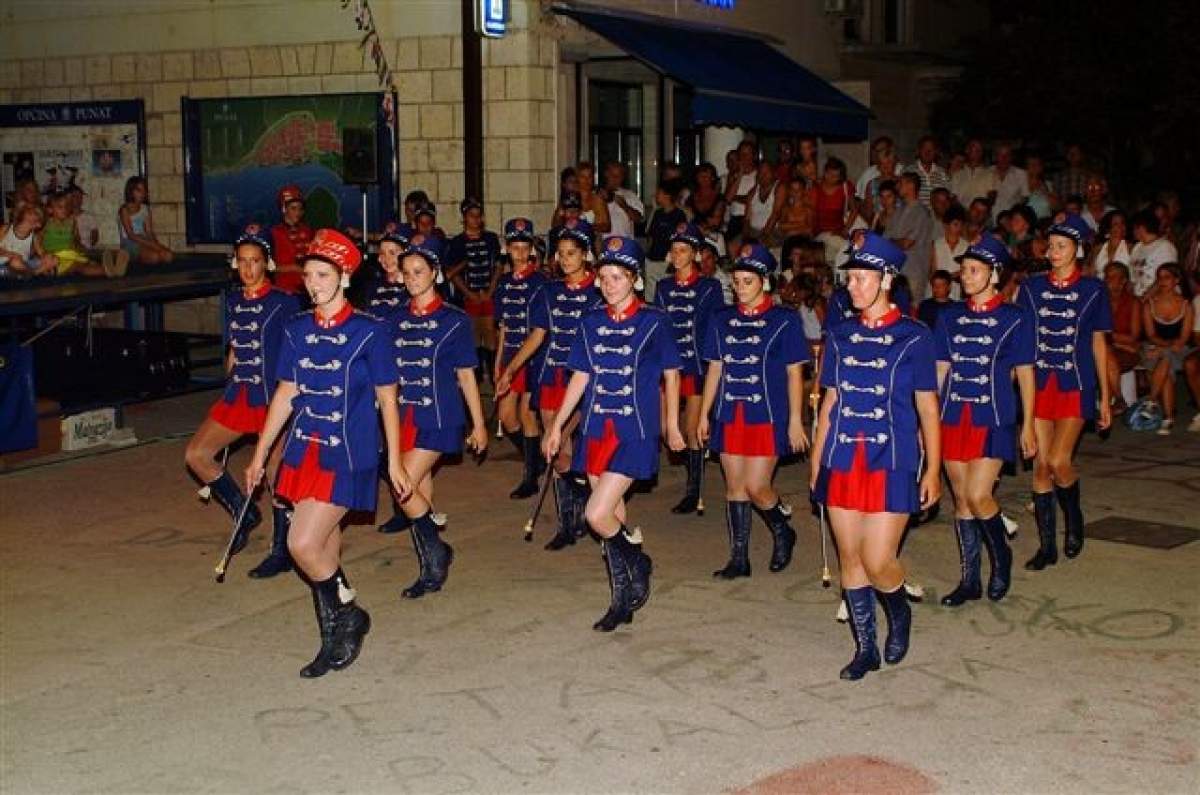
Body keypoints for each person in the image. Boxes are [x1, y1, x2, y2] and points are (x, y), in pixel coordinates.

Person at [245, 228, 409, 678]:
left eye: (323, 275)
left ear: (346, 277)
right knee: (321, 547)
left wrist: (394, 460)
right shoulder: (296, 329)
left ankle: (350, 613)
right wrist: (260, 454)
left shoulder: (369, 331)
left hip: (348, 453)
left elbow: (388, 398)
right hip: (303, 451)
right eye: (308, 275)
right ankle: (333, 637)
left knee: (301, 544)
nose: (313, 284)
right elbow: (285, 394)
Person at [810, 232, 941, 681]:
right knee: (850, 557)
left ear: (886, 280)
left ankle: (899, 610)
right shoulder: (840, 334)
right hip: (843, 455)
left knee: (879, 559)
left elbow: (927, 408)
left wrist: (934, 470)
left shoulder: (915, 336)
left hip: (894, 457)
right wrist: (816, 463)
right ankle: (865, 648)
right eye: (850, 278)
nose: (853, 286)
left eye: (862, 278)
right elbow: (829, 403)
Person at [544, 236, 685, 630]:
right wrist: (557, 426)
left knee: (596, 513)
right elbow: (580, 377)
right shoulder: (590, 322)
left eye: (618, 277)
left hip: (634, 429)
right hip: (594, 428)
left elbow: (672, 374)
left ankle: (636, 558)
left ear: (635, 281)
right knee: (614, 515)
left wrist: (671, 424)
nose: (609, 284)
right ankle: (622, 596)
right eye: (604, 277)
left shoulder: (655, 321)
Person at [184, 225, 300, 576]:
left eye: (256, 261)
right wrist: (231, 360)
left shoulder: (284, 302)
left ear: (268, 264)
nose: (249, 268)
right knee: (196, 455)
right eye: (243, 261)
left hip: (273, 396)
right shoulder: (233, 300)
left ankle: (281, 550)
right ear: (235, 264)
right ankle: (244, 511)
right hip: (241, 394)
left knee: (277, 472)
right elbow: (236, 343)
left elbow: (296, 346)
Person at [377, 233, 488, 597]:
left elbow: (466, 375)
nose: (412, 278)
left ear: (436, 274)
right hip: (405, 415)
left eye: (419, 271)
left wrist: (480, 424)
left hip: (441, 415)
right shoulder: (394, 318)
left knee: (403, 483)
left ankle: (437, 551)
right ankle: (431, 564)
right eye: (407, 272)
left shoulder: (454, 320)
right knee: (419, 488)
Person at [934, 236, 1036, 607]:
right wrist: (926, 419)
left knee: (979, 495)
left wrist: (1029, 424)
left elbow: (1025, 371)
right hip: (952, 415)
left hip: (994, 414)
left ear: (994, 275)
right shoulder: (948, 316)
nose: (966, 275)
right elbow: (940, 370)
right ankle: (969, 579)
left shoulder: (1015, 317)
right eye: (964, 269)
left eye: (974, 270)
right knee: (961, 500)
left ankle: (1001, 558)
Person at [698, 242, 809, 578]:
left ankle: (782, 529)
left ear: (765, 282)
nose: (740, 288)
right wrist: (704, 413)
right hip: (731, 412)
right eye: (737, 281)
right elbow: (715, 368)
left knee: (757, 487)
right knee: (734, 487)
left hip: (768, 414)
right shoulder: (721, 320)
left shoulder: (784, 320)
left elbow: (794, 373)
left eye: (748, 281)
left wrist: (794, 420)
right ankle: (739, 558)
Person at [497, 218, 602, 550]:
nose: (565, 259)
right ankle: (570, 519)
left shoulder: (600, 291)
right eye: (560, 253)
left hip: (583, 380)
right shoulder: (549, 290)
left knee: (561, 441)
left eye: (572, 253)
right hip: (550, 375)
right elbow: (538, 335)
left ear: (585, 254)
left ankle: (579, 513)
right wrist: (511, 369)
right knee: (558, 454)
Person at [1016, 213, 1112, 570]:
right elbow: (1022, 339)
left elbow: (1099, 344)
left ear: (1078, 250)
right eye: (1051, 246)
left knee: (1059, 461)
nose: (1053, 252)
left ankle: (1074, 519)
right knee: (1041, 466)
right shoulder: (1030, 288)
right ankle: (1046, 547)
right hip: (1040, 383)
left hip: (1075, 382)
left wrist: (1105, 395)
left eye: (1061, 246)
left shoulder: (1093, 290)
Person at [654, 222, 725, 515]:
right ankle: (696, 461)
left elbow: (715, 329)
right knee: (663, 429)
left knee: (691, 429)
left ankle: (693, 489)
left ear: (696, 254)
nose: (678, 254)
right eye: (674, 250)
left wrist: (713, 366)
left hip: (695, 365)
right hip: (667, 365)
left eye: (684, 250)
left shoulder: (710, 287)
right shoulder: (662, 286)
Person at [492, 218, 550, 499]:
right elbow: (502, 326)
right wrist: (498, 363)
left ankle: (530, 477)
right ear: (506, 248)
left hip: (533, 358)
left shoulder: (541, 283)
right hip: (509, 356)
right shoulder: (503, 283)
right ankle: (535, 458)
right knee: (505, 416)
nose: (519, 252)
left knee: (527, 415)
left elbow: (540, 331)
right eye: (513, 246)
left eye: (523, 246)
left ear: (531, 249)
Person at [445, 198, 503, 386]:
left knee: (491, 339)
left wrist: (490, 291)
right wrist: (469, 293)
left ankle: (494, 378)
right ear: (464, 217)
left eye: (479, 216)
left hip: (488, 296)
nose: (476, 220)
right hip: (469, 299)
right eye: (472, 216)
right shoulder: (457, 242)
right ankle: (476, 382)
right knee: (474, 340)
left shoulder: (491, 239)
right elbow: (452, 274)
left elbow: (498, 266)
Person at [1140, 264, 1193, 435]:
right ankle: (1168, 418)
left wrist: (1163, 349)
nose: (1162, 281)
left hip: (1178, 350)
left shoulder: (1186, 305)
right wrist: (1163, 349)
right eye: (1160, 277)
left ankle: (1151, 400)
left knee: (1167, 357)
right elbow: (1151, 334)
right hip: (1155, 348)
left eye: (1167, 277)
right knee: (1166, 365)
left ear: (1177, 280)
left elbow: (1183, 339)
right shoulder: (1150, 304)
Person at [887, 173, 936, 301]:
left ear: (911, 186)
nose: (898, 187)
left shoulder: (921, 213)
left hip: (914, 272)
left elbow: (907, 243)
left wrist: (893, 241)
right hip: (897, 271)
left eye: (901, 183)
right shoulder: (898, 211)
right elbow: (887, 238)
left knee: (912, 311)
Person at [1103, 262, 1142, 414]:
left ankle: (1113, 401)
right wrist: (1118, 342)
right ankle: (1118, 399)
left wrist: (1109, 337)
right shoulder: (1100, 301)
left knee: (1106, 353)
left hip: (1124, 351)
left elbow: (1133, 337)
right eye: (1107, 277)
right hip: (1108, 349)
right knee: (1105, 353)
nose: (1109, 280)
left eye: (1113, 277)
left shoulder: (1133, 302)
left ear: (1123, 280)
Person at [39, 192, 107, 277]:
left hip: (70, 253)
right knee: (78, 267)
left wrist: (82, 248)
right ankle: (110, 270)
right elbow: (38, 240)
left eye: (66, 207)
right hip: (54, 256)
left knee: (90, 264)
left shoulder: (72, 222)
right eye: (60, 207)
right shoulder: (46, 223)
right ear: (50, 209)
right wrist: (43, 253)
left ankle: (110, 269)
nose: (64, 209)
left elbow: (76, 240)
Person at [644, 179, 689, 302]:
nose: (655, 196)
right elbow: (651, 236)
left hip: (668, 260)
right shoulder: (657, 213)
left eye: (658, 193)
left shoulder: (679, 215)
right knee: (650, 294)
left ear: (667, 195)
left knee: (669, 291)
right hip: (653, 258)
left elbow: (681, 239)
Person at [117, 176, 173, 268]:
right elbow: (131, 235)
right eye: (139, 190)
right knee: (155, 257)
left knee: (168, 255)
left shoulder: (145, 209)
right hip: (130, 242)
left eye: (144, 190)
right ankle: (133, 261)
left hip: (144, 239)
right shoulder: (125, 210)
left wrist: (156, 244)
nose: (142, 194)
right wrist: (152, 245)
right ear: (131, 191)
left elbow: (149, 232)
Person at [269, 185, 313, 295]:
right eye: (293, 208)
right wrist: (293, 268)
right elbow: (266, 266)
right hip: (285, 290)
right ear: (284, 209)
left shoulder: (308, 231)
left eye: (300, 209)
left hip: (308, 288)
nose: (298, 212)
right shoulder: (273, 233)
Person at [1129, 209, 1179, 298]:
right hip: (1139, 299)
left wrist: (1146, 298)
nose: (1132, 231)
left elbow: (1165, 278)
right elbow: (1133, 278)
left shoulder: (1165, 247)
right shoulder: (1137, 247)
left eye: (1134, 228)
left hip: (1159, 299)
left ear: (1141, 227)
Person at [0, 205, 50, 278]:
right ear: (21, 215)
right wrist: (11, 254)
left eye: (36, 215)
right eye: (30, 213)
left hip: (24, 264)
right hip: (3, 265)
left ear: (38, 224)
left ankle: (27, 274)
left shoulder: (34, 236)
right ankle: (34, 273)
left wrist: (47, 257)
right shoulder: (6, 228)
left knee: (52, 259)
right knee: (15, 262)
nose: (33, 215)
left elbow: (41, 252)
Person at [600, 161, 644, 239]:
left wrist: (624, 206)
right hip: (603, 244)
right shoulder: (597, 195)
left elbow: (639, 220)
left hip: (625, 244)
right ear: (606, 174)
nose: (615, 179)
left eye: (619, 176)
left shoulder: (630, 195)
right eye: (612, 175)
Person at [932, 205, 969, 298]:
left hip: (957, 290)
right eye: (955, 224)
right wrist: (948, 277)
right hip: (938, 289)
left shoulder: (966, 245)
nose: (959, 228)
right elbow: (933, 271)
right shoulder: (936, 244)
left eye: (961, 225)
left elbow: (965, 270)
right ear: (946, 225)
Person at [949, 139, 993, 209]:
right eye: (974, 147)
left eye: (979, 149)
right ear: (967, 150)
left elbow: (991, 197)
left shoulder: (990, 174)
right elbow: (953, 197)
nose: (977, 151)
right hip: (961, 215)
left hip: (981, 214)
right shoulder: (958, 174)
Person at [909, 135, 950, 207]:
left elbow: (948, 197)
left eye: (931, 149)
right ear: (918, 151)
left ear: (936, 152)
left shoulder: (942, 173)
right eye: (924, 148)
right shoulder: (909, 171)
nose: (928, 152)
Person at [687, 162, 726, 234]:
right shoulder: (691, 198)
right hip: (694, 234)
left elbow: (715, 223)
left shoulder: (719, 198)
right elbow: (688, 219)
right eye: (701, 176)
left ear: (713, 178)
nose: (703, 179)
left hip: (713, 235)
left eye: (706, 176)